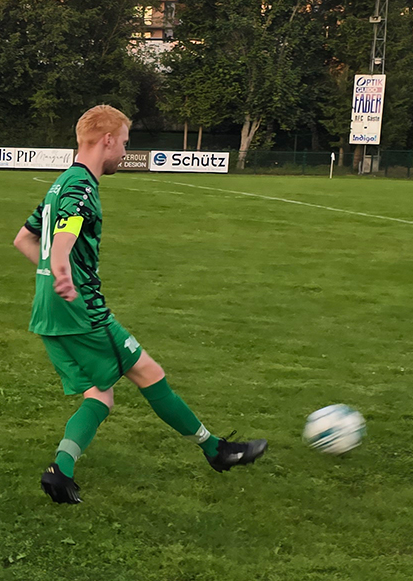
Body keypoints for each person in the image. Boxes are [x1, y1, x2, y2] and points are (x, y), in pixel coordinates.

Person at [14, 104, 266, 505]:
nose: (124, 153)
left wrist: (53, 273)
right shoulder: (81, 187)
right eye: (125, 144)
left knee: (100, 394)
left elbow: (23, 239)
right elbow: (64, 236)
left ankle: (60, 472)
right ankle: (216, 449)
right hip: (84, 313)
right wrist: (62, 269)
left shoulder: (59, 184)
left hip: (48, 312)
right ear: (107, 140)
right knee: (149, 373)